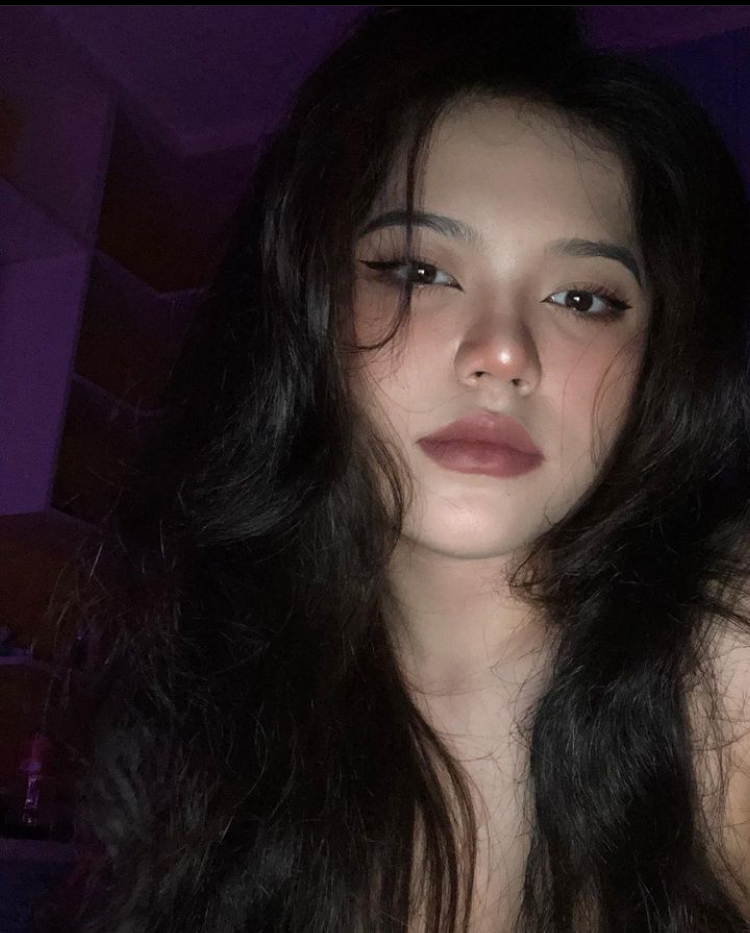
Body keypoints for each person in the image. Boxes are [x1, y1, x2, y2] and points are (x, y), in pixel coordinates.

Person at [32, 6, 750, 933]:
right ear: (310, 309)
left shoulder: (727, 668)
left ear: (660, 360)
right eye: (416, 270)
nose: (502, 353)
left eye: (583, 297)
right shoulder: (206, 717)